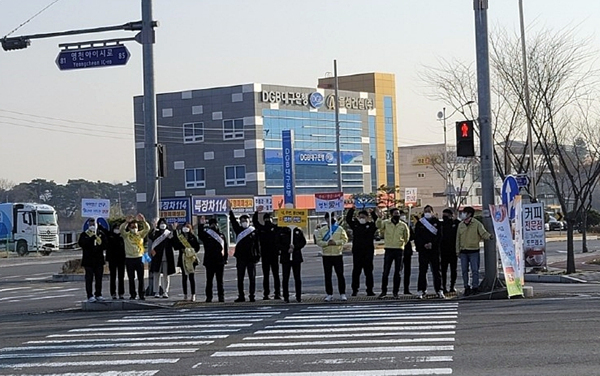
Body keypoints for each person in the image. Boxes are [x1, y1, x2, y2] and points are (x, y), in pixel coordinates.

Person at [456, 206, 493, 296]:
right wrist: (457, 251)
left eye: (464, 212)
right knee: (464, 270)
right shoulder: (461, 225)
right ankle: (466, 287)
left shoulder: (476, 224)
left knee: (475, 270)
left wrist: (490, 236)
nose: (463, 214)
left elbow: (483, 233)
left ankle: (475, 287)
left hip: (474, 251)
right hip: (463, 251)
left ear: (469, 214)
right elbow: (458, 238)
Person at [376, 208, 410, 299]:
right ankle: (384, 292)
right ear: (391, 214)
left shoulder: (403, 225)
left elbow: (406, 237)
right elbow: (379, 226)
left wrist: (401, 243)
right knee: (386, 272)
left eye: (398, 213)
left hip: (399, 250)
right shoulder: (386, 223)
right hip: (389, 249)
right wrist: (379, 218)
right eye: (395, 213)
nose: (397, 215)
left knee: (398, 272)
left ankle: (396, 292)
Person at [316, 213, 349, 302]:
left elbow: (345, 239)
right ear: (326, 219)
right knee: (328, 275)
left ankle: (342, 293)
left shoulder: (339, 229)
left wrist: (336, 242)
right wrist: (327, 243)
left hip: (337, 254)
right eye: (328, 218)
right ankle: (329, 294)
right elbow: (318, 241)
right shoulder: (322, 230)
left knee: (340, 275)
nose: (330, 219)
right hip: (326, 256)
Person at [345, 207, 378, 296]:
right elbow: (348, 219)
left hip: (368, 252)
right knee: (356, 271)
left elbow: (378, 222)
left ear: (367, 217)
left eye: (364, 217)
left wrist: (373, 213)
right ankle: (355, 290)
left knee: (369, 272)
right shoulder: (355, 225)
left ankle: (370, 290)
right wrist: (352, 210)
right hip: (357, 252)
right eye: (360, 217)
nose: (362, 219)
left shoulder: (371, 226)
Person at [229, 210, 260, 302]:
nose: (244, 222)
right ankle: (241, 296)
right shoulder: (238, 230)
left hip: (251, 258)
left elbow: (257, 245)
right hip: (241, 258)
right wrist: (230, 211)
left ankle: (252, 295)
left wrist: (258, 256)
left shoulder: (253, 231)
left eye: (245, 220)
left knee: (252, 278)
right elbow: (233, 222)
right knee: (240, 278)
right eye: (242, 221)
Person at [414, 205, 444, 299]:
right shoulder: (420, 223)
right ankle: (421, 290)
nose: (427, 212)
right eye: (426, 211)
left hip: (434, 250)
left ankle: (439, 290)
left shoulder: (437, 222)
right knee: (422, 271)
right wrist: (423, 245)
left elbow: (439, 236)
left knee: (436, 271)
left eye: (429, 211)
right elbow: (417, 237)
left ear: (432, 211)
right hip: (423, 250)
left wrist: (432, 244)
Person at [120, 214, 150, 300]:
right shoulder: (126, 235)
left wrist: (143, 221)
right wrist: (126, 222)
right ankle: (132, 294)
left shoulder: (140, 234)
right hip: (129, 258)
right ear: (129, 228)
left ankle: (141, 294)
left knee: (141, 278)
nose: (134, 229)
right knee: (131, 278)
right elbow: (121, 229)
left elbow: (147, 229)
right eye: (132, 227)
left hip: (139, 257)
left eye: (135, 227)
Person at [198, 217, 228, 302]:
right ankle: (209, 297)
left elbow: (225, 247)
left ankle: (221, 296)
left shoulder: (221, 235)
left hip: (219, 260)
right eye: (212, 224)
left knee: (220, 281)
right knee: (209, 281)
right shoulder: (207, 234)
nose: (214, 226)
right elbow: (200, 235)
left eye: (215, 224)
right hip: (209, 260)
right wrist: (201, 225)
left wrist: (225, 258)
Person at [253, 210, 281, 300]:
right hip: (274, 254)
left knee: (266, 275)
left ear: (264, 220)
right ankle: (277, 293)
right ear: (271, 219)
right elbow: (283, 225)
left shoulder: (261, 229)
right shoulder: (275, 228)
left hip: (265, 255)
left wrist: (256, 212)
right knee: (276, 275)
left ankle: (266, 294)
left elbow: (255, 222)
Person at [78, 218, 106, 302]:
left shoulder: (100, 234)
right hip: (88, 260)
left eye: (94, 223)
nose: (92, 225)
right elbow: (82, 244)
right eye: (91, 223)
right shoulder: (84, 234)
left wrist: (98, 241)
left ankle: (98, 294)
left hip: (99, 260)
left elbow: (105, 245)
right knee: (89, 279)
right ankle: (89, 295)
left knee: (99, 278)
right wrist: (91, 239)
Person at [148, 218, 177, 298]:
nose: (162, 224)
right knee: (156, 275)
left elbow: (175, 242)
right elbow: (150, 236)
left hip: (167, 257)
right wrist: (153, 228)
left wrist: (175, 230)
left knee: (166, 276)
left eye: (164, 223)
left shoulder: (168, 233)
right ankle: (156, 291)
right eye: (161, 223)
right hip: (157, 257)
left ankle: (165, 291)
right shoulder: (156, 233)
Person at [277, 225, 307, 303]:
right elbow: (277, 243)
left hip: (296, 257)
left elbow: (303, 242)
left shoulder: (298, 231)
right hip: (285, 258)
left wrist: (295, 247)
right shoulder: (282, 231)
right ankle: (286, 297)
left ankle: (298, 296)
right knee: (285, 278)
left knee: (297, 278)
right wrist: (287, 248)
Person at [174, 222, 201, 301]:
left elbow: (197, 247)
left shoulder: (193, 237)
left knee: (191, 277)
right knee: (184, 277)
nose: (186, 228)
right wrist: (175, 230)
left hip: (191, 258)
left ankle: (193, 294)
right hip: (182, 258)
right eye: (184, 227)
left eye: (187, 227)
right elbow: (175, 245)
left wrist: (191, 251)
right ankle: (185, 294)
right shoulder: (180, 237)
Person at [440, 208, 460, 293]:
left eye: (446, 215)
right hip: (443, 250)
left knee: (453, 269)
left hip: (453, 250)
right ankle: (443, 287)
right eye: (443, 215)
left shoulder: (457, 223)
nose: (444, 217)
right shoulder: (441, 224)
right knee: (443, 270)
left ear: (452, 215)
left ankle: (452, 286)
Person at [105, 222, 126, 300]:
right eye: (116, 228)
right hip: (112, 259)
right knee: (113, 277)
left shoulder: (122, 237)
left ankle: (121, 293)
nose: (117, 229)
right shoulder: (110, 236)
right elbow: (104, 231)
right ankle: (113, 293)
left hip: (121, 259)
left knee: (121, 277)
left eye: (118, 228)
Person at [401, 211, 415, 295]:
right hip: (398, 250)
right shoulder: (394, 226)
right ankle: (396, 290)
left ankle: (406, 289)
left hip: (407, 250)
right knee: (398, 271)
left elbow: (412, 236)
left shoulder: (407, 225)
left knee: (407, 271)